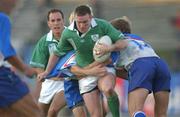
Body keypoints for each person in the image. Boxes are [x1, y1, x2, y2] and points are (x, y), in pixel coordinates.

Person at [38, 5, 126, 117]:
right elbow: (73, 69)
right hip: (76, 81)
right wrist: (46, 72)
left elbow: (114, 52)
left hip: (98, 72)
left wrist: (109, 50)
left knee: (108, 89)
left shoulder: (102, 28)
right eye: (78, 22)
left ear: (91, 18)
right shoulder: (69, 42)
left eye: (85, 22)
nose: (81, 26)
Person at [96, 16, 171, 117]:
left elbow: (108, 67)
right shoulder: (137, 38)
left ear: (117, 31)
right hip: (161, 64)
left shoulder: (116, 41)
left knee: (135, 111)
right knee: (161, 114)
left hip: (141, 65)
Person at [30, 9, 86, 117]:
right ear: (49, 23)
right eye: (53, 20)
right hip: (50, 82)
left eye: (58, 20)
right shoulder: (44, 41)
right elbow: (37, 65)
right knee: (40, 113)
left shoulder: (73, 36)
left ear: (63, 21)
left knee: (53, 111)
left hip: (67, 81)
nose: (56, 23)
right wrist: (44, 75)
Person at [0, 3, 43, 117]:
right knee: (36, 114)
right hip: (2, 78)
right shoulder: (2, 19)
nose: (14, 4)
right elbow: (7, 51)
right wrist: (26, 69)